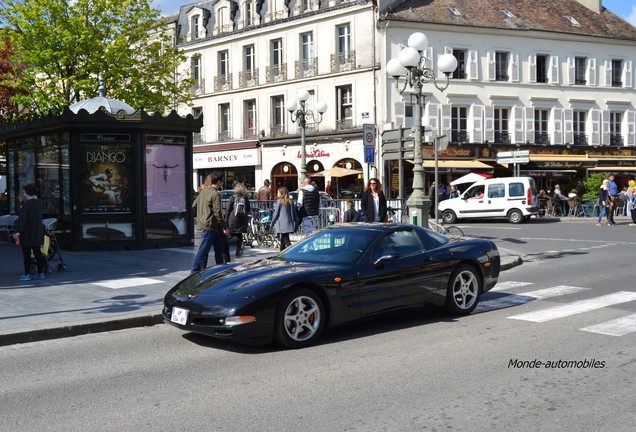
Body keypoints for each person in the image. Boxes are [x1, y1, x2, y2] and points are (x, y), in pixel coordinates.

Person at [191, 171, 229, 274]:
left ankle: (220, 266)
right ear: (219, 182)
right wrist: (225, 227)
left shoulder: (204, 191)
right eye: (222, 182)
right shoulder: (215, 193)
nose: (222, 184)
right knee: (203, 250)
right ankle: (194, 271)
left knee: (218, 246)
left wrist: (201, 215)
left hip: (206, 224)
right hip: (210, 225)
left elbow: (194, 205)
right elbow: (217, 212)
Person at [13, 184, 47, 281]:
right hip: (37, 232)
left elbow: (23, 220)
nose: (23, 194)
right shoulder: (39, 203)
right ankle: (41, 273)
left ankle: (27, 274)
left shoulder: (27, 205)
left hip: (27, 233)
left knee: (26, 254)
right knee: (37, 253)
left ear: (28, 192)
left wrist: (18, 232)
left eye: (24, 192)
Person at [225, 182, 251, 257]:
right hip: (243, 219)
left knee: (233, 234)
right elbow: (248, 209)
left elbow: (228, 210)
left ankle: (238, 246)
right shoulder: (245, 198)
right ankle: (238, 250)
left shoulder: (232, 197)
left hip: (233, 219)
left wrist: (226, 220)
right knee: (239, 234)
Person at [270, 186, 298, 251]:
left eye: (278, 192)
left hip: (282, 224)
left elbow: (276, 214)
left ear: (281, 193)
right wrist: (296, 222)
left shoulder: (279, 201)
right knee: (283, 239)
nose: (277, 193)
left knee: (286, 240)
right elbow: (294, 213)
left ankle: (293, 251)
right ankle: (282, 252)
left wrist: (272, 222)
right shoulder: (291, 202)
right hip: (289, 223)